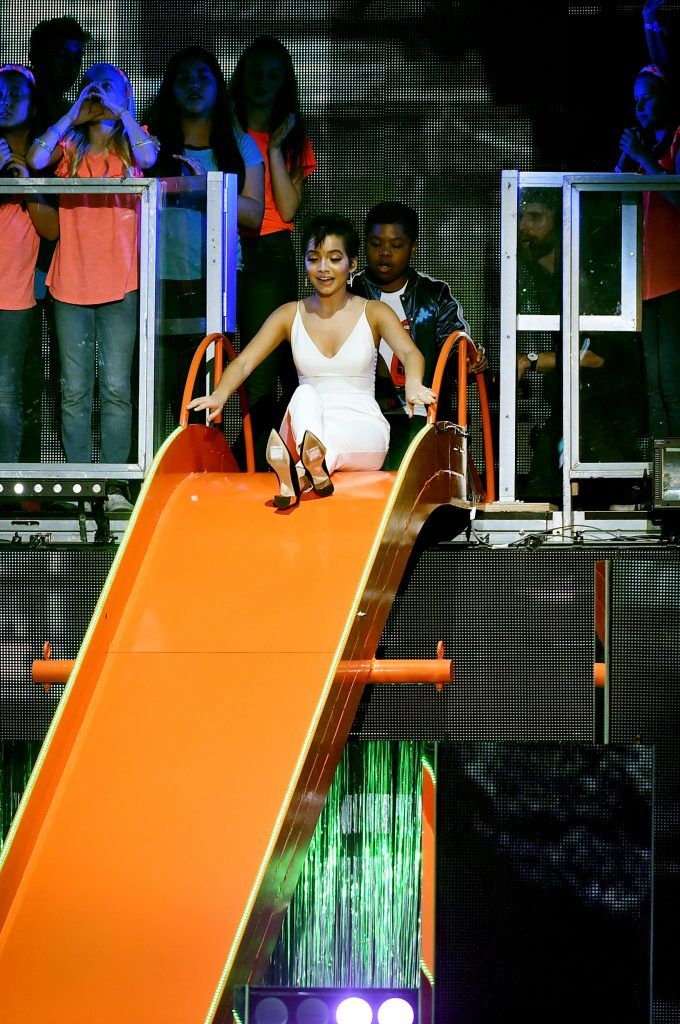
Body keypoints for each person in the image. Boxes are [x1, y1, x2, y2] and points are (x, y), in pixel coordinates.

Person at [188, 214, 435, 509]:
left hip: (362, 426)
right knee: (304, 393)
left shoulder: (374, 312)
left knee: (327, 444)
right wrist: (219, 395)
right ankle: (309, 467)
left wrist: (415, 385)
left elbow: (411, 353)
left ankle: (300, 471)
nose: (323, 269)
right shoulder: (289, 314)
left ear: (352, 264)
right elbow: (243, 363)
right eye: (314, 259)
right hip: (306, 422)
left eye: (333, 259)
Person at [27, 64, 158, 510]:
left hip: (122, 284)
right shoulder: (69, 148)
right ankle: (80, 483)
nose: (100, 92)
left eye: (110, 85)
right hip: (70, 283)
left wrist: (122, 113)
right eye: (93, 84)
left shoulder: (133, 145)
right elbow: (36, 159)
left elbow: (151, 160)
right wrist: (71, 115)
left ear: (125, 94)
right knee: (74, 389)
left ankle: (115, 484)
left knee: (118, 388)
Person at [144, 47, 265, 435]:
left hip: (214, 279)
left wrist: (207, 188)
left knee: (203, 383)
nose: (193, 85)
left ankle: (200, 466)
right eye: (183, 78)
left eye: (203, 77)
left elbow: (254, 214)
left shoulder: (238, 144)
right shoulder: (151, 143)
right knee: (154, 383)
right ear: (170, 88)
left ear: (217, 86)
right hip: (157, 277)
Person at [229, 36, 317, 467]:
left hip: (269, 250)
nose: (263, 81)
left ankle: (265, 463)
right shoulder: (222, 129)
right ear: (241, 76)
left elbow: (286, 208)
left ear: (284, 81)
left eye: (273, 73)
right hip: (219, 246)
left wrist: (278, 149)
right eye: (256, 71)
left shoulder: (292, 134)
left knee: (268, 360)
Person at [350, 201, 477, 468]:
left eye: (396, 246)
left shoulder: (435, 294)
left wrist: (468, 362)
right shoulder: (351, 291)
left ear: (413, 248)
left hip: (420, 416)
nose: (385, 253)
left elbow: (453, 346)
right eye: (375, 244)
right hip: (363, 414)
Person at [617, 60, 680, 442]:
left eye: (647, 99)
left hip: (674, 281)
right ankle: (663, 476)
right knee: (653, 386)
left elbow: (677, 195)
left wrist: (643, 159)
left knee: (672, 381)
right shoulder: (649, 147)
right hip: (645, 284)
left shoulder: (675, 142)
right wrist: (632, 158)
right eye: (635, 101)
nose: (639, 108)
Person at [0, 65, 58, 462]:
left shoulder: (46, 160)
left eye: (15, 94)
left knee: (6, 390)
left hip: (15, 294)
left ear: (33, 104)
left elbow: (51, 229)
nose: (5, 102)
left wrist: (23, 179)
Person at [29, 16, 92, 123]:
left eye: (77, 58)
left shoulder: (74, 117)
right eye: (62, 55)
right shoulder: (13, 113)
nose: (71, 67)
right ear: (36, 56)